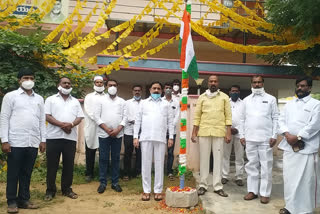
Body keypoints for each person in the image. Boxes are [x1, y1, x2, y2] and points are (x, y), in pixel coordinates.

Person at [0, 68, 46, 213]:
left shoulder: (39, 99)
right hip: (15, 141)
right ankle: (12, 201)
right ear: (19, 80)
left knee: (27, 172)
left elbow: (41, 120)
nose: (28, 81)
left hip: (32, 141)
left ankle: (24, 199)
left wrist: (43, 140)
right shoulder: (10, 96)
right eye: (25, 78)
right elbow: (4, 118)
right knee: (13, 172)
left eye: (31, 78)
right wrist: (4, 140)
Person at [278, 76, 320, 214]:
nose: (300, 88)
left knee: (306, 181)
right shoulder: (290, 104)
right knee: (289, 179)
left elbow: (314, 125)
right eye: (298, 86)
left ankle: (305, 210)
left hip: (307, 149)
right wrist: (287, 134)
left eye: (303, 86)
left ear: (309, 87)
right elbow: (281, 120)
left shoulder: (316, 104)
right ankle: (290, 207)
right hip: (290, 148)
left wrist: (298, 136)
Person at [240, 75, 279, 204]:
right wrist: (242, 135)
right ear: (251, 84)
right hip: (250, 138)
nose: (257, 85)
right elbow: (242, 119)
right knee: (251, 166)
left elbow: (275, 118)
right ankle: (252, 191)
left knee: (266, 166)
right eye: (254, 82)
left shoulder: (271, 99)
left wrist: (274, 135)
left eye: (259, 82)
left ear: (263, 83)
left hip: (265, 139)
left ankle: (265, 193)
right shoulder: (246, 100)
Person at [191, 75, 232, 197]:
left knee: (218, 160)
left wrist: (228, 132)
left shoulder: (224, 97)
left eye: (215, 81)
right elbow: (197, 115)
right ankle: (203, 185)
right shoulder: (202, 98)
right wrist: (194, 132)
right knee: (204, 159)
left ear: (218, 83)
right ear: (208, 83)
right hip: (204, 131)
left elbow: (228, 116)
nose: (213, 83)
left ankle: (217, 186)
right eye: (211, 81)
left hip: (219, 132)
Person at [44, 77, 84, 201]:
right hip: (53, 137)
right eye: (64, 83)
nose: (67, 85)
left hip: (70, 138)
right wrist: (62, 125)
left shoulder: (75, 102)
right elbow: (47, 116)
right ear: (59, 85)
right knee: (52, 165)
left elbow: (80, 117)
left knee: (68, 165)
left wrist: (71, 125)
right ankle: (50, 191)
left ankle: (67, 189)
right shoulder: (50, 99)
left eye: (69, 83)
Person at [133, 81, 174, 201]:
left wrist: (170, 137)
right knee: (145, 165)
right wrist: (136, 136)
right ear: (150, 90)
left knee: (159, 164)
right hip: (145, 137)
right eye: (154, 88)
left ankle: (158, 190)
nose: (156, 90)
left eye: (158, 89)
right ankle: (146, 191)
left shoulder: (166, 104)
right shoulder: (143, 103)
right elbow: (138, 121)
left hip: (160, 138)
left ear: (161, 91)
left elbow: (170, 122)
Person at [94, 79, 126, 194]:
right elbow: (96, 117)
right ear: (106, 87)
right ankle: (102, 182)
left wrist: (117, 130)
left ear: (117, 87)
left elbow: (125, 118)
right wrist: (107, 129)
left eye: (114, 85)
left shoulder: (122, 101)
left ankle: (115, 182)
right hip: (104, 134)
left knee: (116, 158)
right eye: (110, 85)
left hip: (117, 135)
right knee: (103, 158)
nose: (112, 87)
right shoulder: (100, 100)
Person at [222, 85, 245, 186]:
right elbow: (222, 116)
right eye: (233, 91)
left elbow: (245, 118)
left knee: (239, 156)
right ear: (229, 92)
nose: (234, 92)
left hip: (240, 133)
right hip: (227, 132)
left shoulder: (244, 104)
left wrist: (238, 129)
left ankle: (239, 177)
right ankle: (224, 176)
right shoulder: (225, 102)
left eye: (236, 91)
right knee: (225, 155)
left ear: (239, 92)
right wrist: (229, 129)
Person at [83, 76, 105, 182]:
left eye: (101, 82)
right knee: (90, 151)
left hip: (104, 128)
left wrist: (103, 123)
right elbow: (89, 111)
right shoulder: (89, 97)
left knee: (103, 152)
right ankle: (89, 173)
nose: (99, 84)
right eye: (97, 82)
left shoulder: (107, 97)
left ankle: (103, 174)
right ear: (94, 83)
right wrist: (99, 121)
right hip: (92, 127)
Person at [123, 85, 143, 181]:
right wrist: (135, 121)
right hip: (129, 132)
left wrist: (140, 123)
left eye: (139, 90)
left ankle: (138, 173)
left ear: (141, 92)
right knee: (128, 153)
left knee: (140, 153)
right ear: (132, 91)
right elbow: (125, 115)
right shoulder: (127, 103)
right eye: (135, 90)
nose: (137, 92)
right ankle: (126, 173)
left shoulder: (144, 103)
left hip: (142, 132)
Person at [162, 82, 180, 181]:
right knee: (160, 151)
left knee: (170, 152)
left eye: (169, 88)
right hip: (161, 130)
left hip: (172, 131)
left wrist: (171, 125)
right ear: (164, 90)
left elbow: (177, 115)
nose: (168, 89)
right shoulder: (160, 101)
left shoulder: (176, 102)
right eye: (166, 88)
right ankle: (159, 171)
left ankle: (169, 171)